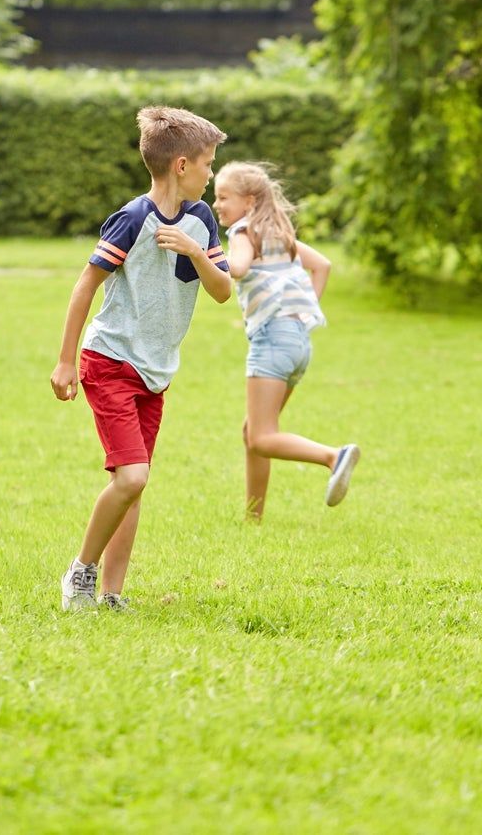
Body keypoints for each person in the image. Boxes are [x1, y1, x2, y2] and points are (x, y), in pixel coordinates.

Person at [51, 106, 232, 611]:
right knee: (132, 476)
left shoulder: (200, 219)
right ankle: (80, 575)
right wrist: (65, 363)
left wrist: (195, 251)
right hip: (110, 360)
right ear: (181, 165)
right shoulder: (132, 219)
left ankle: (111, 595)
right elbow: (85, 285)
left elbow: (222, 292)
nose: (211, 173)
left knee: (130, 485)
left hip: (155, 372)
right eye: (208, 163)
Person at [212, 161, 358, 520]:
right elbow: (321, 265)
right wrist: (303, 316)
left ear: (248, 202)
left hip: (272, 341)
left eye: (223, 197)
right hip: (297, 342)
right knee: (254, 431)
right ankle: (253, 517)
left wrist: (202, 254)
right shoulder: (279, 232)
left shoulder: (244, 232)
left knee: (262, 437)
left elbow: (239, 268)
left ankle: (333, 456)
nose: (216, 205)